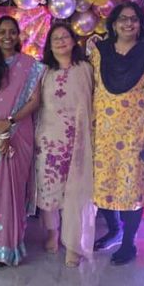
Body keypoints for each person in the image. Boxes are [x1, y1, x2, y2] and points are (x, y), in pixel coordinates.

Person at [91, 2, 144, 265]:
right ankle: (113, 229)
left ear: (140, 24)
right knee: (100, 186)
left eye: (133, 19)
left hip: (135, 136)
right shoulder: (99, 53)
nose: (128, 23)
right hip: (101, 134)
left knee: (132, 190)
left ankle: (128, 244)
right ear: (113, 24)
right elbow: (89, 88)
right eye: (122, 19)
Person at [0, 15, 45, 267]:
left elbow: (34, 101)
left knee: (13, 188)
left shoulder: (31, 65)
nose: (7, 36)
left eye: (12, 32)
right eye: (2, 31)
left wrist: (10, 123)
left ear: (18, 35)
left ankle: (10, 245)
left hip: (19, 131)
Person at [34, 24, 96, 267]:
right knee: (49, 190)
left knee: (76, 193)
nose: (60, 41)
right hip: (48, 140)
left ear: (73, 41)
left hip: (78, 142)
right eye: (55, 38)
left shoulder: (85, 69)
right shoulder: (43, 72)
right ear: (49, 45)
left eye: (65, 37)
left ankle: (73, 243)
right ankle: (52, 233)